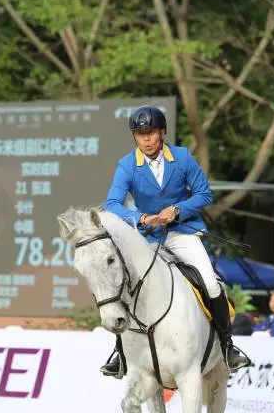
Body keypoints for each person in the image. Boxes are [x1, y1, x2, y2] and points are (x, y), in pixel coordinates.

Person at [101, 105, 250, 378]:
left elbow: (204, 194)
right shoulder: (127, 165)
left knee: (208, 280)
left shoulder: (181, 158)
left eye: (151, 133)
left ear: (162, 132)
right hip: (147, 236)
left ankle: (228, 346)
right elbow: (111, 204)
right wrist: (142, 218)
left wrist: (177, 210)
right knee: (125, 287)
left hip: (182, 231)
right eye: (140, 134)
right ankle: (120, 354)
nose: (146, 139)